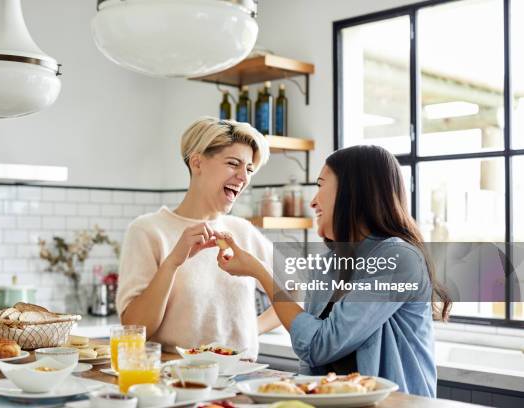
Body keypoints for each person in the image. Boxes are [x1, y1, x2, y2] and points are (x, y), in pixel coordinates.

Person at [217, 145, 451, 397]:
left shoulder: (399, 259)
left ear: (354, 193)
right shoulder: (329, 262)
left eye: (320, 185)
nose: (313, 201)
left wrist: (261, 273)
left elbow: (319, 344)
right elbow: (312, 359)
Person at [116, 117, 280, 359]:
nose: (243, 177)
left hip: (241, 377)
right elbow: (136, 328)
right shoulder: (148, 230)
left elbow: (296, 291)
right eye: (233, 163)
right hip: (174, 378)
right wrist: (172, 263)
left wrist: (251, 329)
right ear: (197, 162)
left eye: (249, 169)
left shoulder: (243, 231)